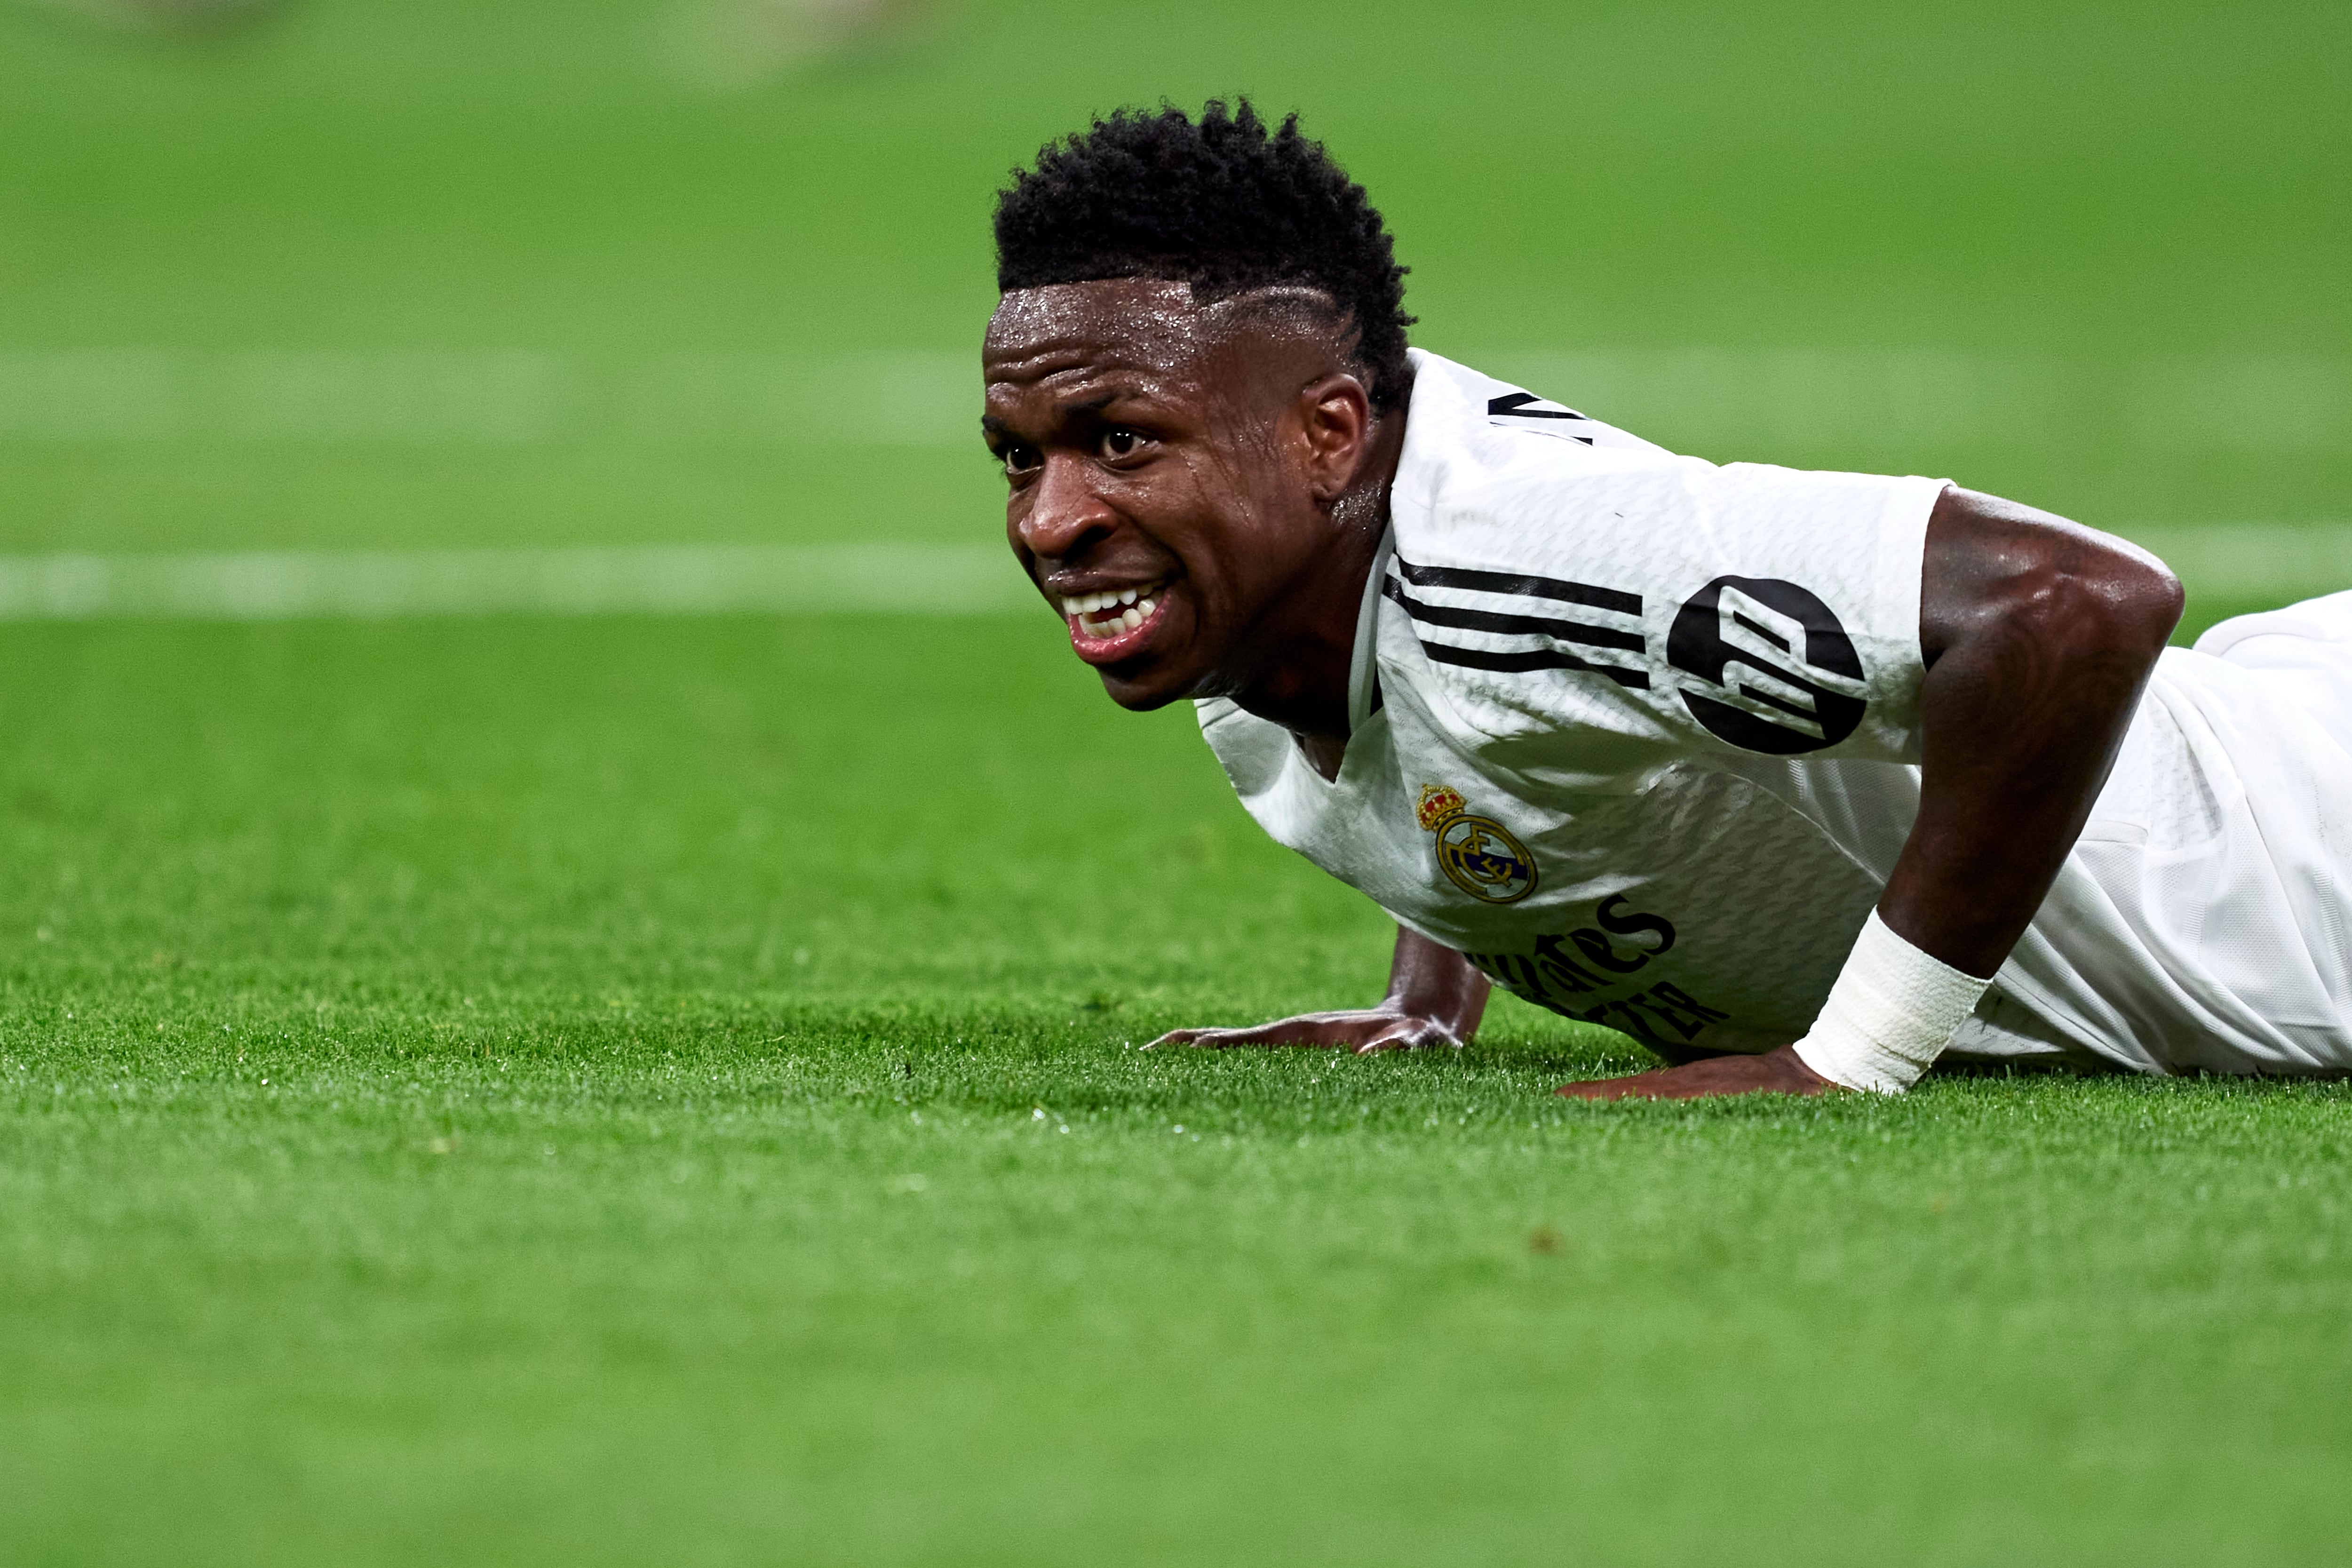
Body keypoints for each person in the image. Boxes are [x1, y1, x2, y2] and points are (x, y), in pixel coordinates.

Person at [980, 99, 2352, 1099]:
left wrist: (1851, 1058)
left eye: (1120, 441)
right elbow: (1484, 704)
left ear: (1329, 435)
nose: (1053, 522)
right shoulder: (1271, 595)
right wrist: (1429, 994)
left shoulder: (1509, 561)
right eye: (1020, 455)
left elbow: (2078, 603)